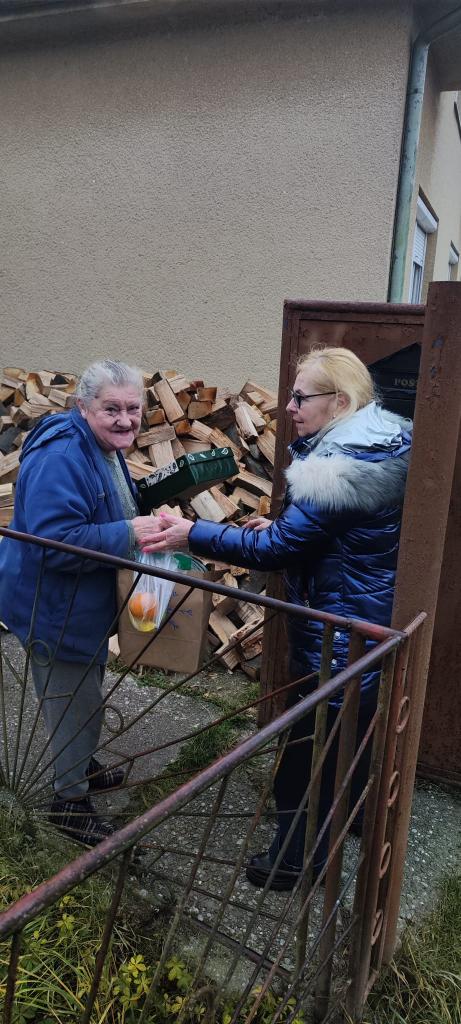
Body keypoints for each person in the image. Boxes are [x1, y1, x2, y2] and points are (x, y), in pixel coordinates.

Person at [143, 346, 412, 889]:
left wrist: (191, 533)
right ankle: (348, 819)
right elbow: (330, 533)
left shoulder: (338, 467)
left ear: (339, 401)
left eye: (300, 396)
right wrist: (287, 531)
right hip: (364, 617)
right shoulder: (382, 440)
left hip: (339, 631)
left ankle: (295, 860)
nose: (288, 406)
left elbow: (278, 550)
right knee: (347, 734)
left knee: (308, 749)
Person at [0, 360, 160, 846]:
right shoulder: (63, 456)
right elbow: (54, 544)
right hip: (53, 605)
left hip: (81, 602)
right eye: (111, 409)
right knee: (72, 699)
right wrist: (129, 532)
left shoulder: (101, 444)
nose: (125, 420)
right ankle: (68, 803)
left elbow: (102, 501)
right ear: (83, 407)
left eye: (133, 409)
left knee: (84, 689)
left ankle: (81, 762)